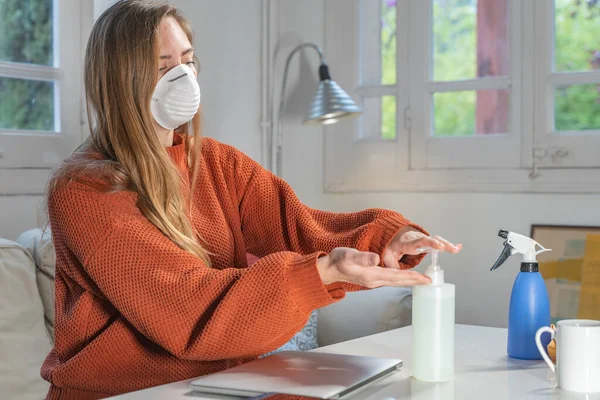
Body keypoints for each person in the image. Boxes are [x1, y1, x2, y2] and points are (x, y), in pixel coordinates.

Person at [41, 1, 462, 399]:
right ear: (120, 81)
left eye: (188, 61)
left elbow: (300, 225)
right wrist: (322, 271)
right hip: (125, 393)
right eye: (163, 67)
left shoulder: (215, 163)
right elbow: (189, 309)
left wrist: (386, 239)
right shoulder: (83, 190)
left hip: (217, 383)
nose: (184, 78)